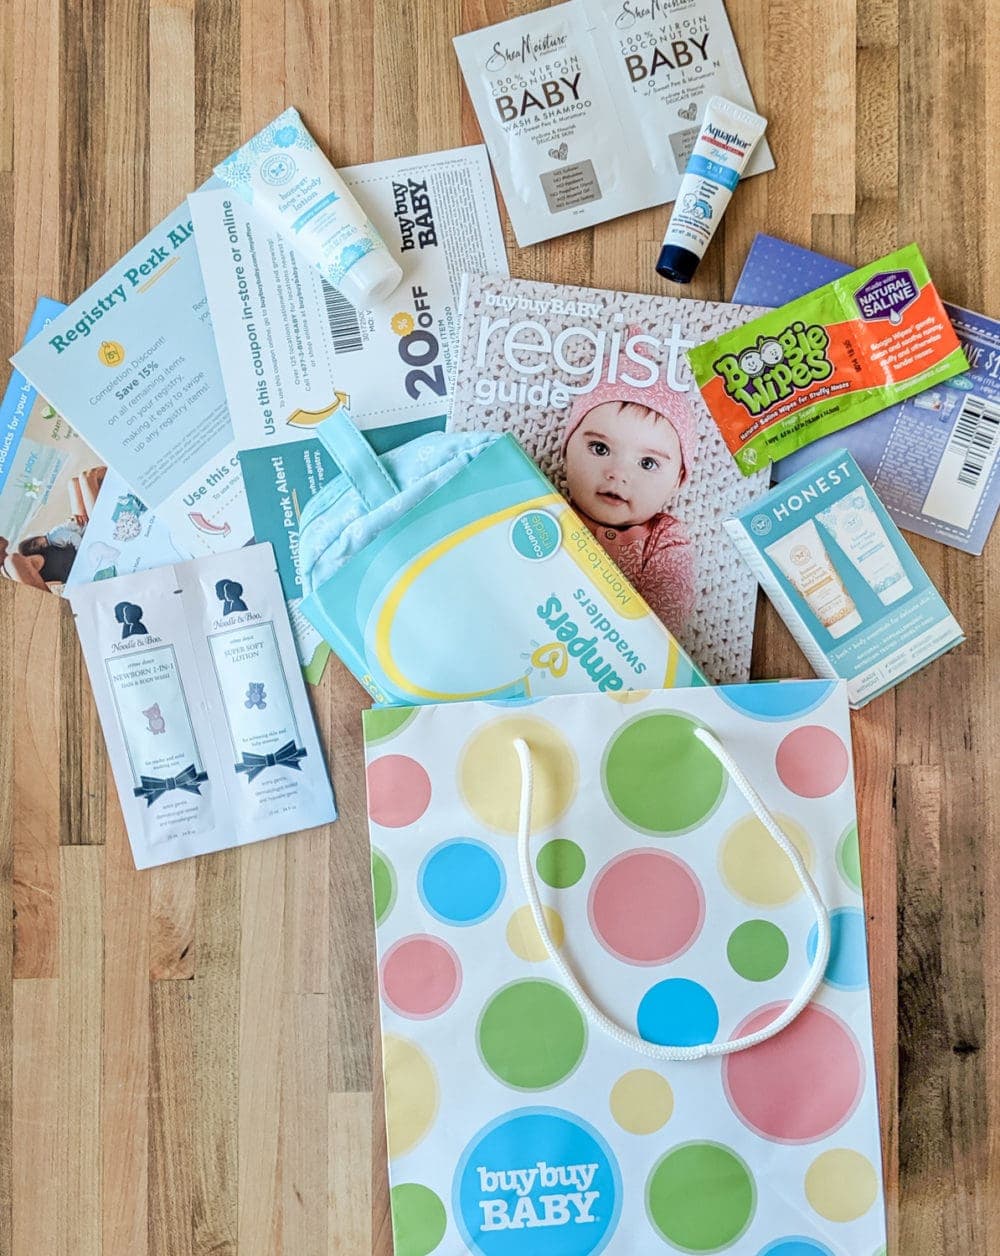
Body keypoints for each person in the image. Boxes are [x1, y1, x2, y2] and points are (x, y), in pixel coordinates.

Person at [563, 378, 696, 633]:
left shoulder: (665, 540)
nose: (618, 473)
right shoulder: (546, 506)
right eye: (600, 449)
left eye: (647, 463)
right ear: (566, 451)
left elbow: (665, 618)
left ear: (677, 480)